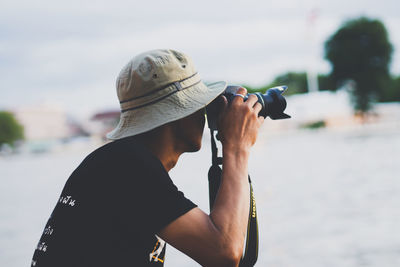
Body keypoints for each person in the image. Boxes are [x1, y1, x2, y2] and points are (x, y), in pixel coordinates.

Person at [31, 49, 264, 267]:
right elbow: (223, 252)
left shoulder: (118, 161)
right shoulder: (127, 166)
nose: (204, 114)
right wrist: (236, 146)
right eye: (199, 105)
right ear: (178, 112)